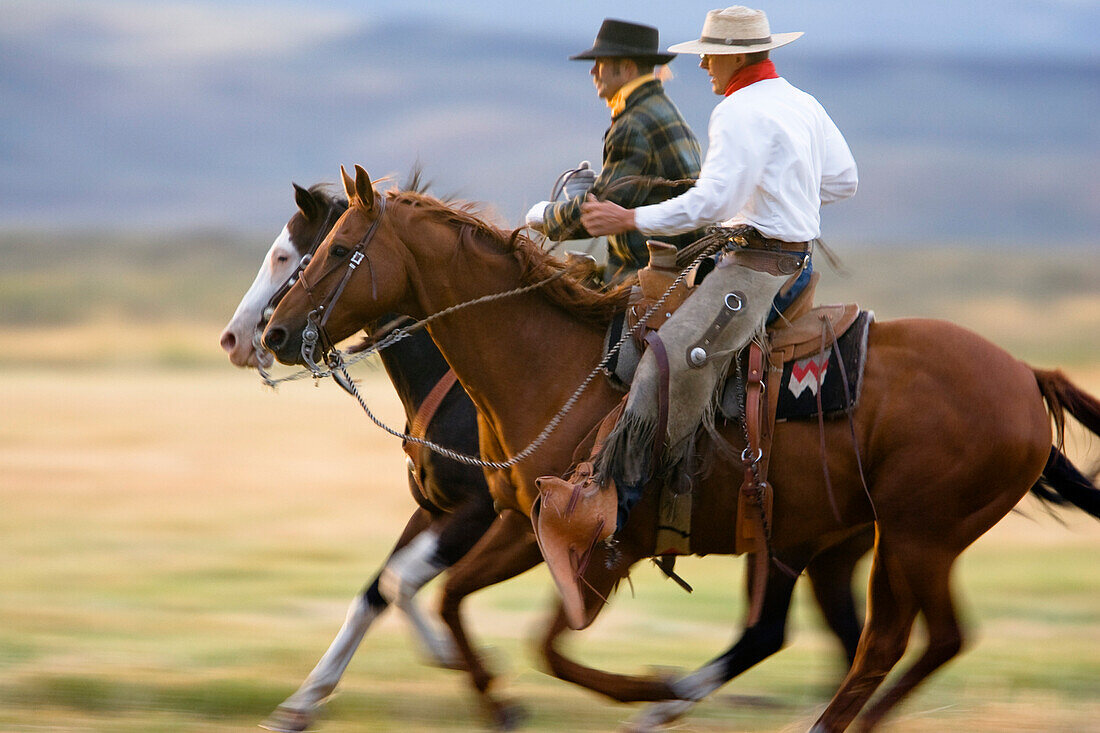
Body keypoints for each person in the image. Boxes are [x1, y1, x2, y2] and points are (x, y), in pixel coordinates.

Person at [534, 6, 857, 620]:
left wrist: (630, 219)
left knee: (664, 361)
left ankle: (614, 517)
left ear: (736, 56)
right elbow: (843, 180)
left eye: (710, 54)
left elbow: (709, 202)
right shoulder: (802, 101)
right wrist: (783, 191)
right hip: (791, 262)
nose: (702, 63)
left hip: (756, 271)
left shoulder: (737, 108)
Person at [525, 18, 705, 285]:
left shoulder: (633, 125)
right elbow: (632, 195)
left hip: (643, 274)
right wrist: (590, 192)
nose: (593, 72)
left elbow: (597, 215)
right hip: (676, 265)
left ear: (627, 68)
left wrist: (543, 215)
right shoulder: (659, 109)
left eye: (601, 63)